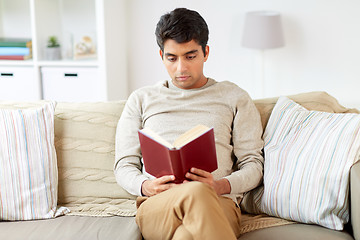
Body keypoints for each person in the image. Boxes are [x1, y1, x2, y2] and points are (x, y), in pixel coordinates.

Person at [114, 8, 264, 240]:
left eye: (190, 56)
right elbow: (124, 165)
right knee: (195, 192)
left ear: (206, 52)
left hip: (218, 202)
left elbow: (253, 165)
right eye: (171, 58)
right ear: (161, 56)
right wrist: (146, 186)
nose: (181, 68)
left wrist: (221, 185)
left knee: (185, 236)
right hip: (158, 206)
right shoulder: (141, 99)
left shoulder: (234, 97)